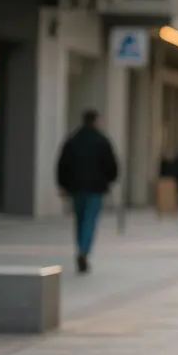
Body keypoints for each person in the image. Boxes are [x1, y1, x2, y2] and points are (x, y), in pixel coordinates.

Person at [55, 109, 119, 273]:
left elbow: (62, 164)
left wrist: (63, 185)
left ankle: (80, 247)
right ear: (96, 121)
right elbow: (111, 164)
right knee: (90, 219)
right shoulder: (102, 141)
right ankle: (84, 250)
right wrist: (109, 181)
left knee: (80, 219)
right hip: (95, 188)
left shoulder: (72, 140)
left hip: (76, 187)